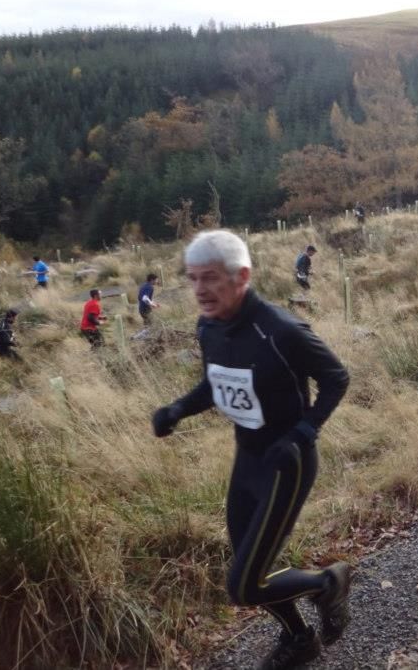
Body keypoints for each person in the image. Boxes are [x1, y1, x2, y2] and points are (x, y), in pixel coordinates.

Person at [150, 230, 352, 669]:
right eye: (192, 278)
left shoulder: (281, 330)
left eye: (210, 277)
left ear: (241, 276)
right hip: (247, 460)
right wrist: (178, 409)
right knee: (250, 569)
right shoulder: (209, 326)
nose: (200, 289)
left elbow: (336, 378)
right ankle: (299, 638)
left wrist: (301, 434)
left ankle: (327, 583)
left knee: (243, 586)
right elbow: (214, 384)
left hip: (287, 463)